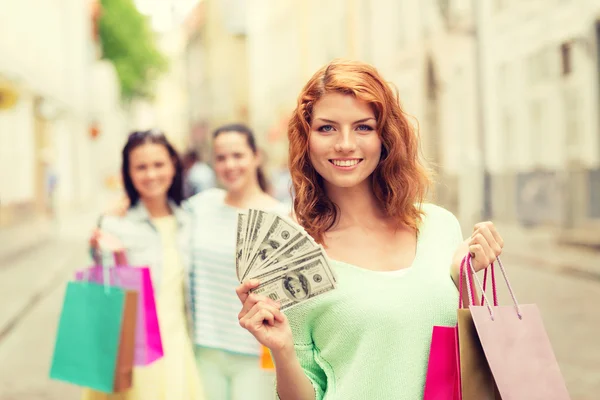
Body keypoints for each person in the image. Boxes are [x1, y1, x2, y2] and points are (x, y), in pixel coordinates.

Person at [235, 60, 505, 400]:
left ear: (385, 137)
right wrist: (282, 349)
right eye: (327, 128)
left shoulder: (439, 226)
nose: (345, 144)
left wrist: (464, 275)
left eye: (363, 127)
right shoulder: (294, 260)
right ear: (306, 139)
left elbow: (475, 357)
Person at [83, 130, 205, 400]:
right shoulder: (115, 224)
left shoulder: (189, 219)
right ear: (128, 172)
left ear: (174, 166)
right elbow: (100, 295)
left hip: (179, 345)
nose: (151, 175)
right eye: (141, 167)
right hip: (135, 349)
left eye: (158, 164)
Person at [187, 123, 290, 400]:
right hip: (204, 348)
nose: (230, 165)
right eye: (221, 158)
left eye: (238, 155)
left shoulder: (281, 217)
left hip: (255, 355)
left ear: (255, 156)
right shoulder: (201, 206)